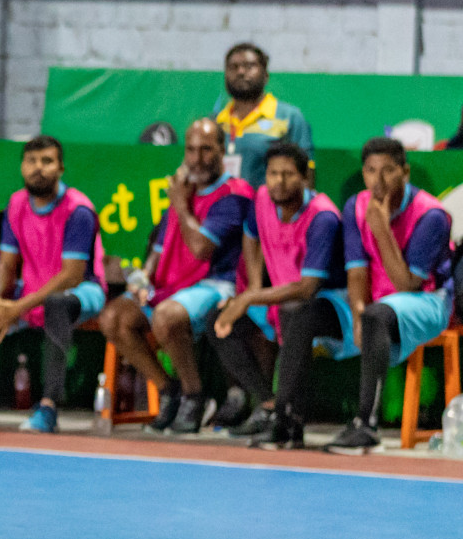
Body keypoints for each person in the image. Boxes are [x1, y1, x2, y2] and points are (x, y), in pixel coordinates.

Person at [258, 138, 453, 453]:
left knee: (377, 316)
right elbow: (357, 272)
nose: (379, 181)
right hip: (374, 297)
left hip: (428, 301)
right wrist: (359, 311)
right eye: (371, 171)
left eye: (388, 171)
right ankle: (287, 421)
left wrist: (381, 229)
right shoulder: (356, 206)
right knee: (301, 311)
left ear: (405, 173)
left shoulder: (431, 215)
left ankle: (367, 424)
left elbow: (407, 284)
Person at [97, 119, 254, 435]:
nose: (197, 158)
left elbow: (199, 249)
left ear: (222, 152)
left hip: (216, 284)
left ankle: (195, 395)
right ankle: (169, 390)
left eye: (206, 150)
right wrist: (142, 282)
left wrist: (181, 205)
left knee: (167, 316)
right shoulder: (183, 193)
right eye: (191, 150)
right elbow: (159, 250)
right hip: (173, 285)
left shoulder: (233, 195)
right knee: (114, 318)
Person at [209, 142, 342, 442]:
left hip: (326, 305)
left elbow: (308, 288)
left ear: (305, 177)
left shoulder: (323, 217)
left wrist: (249, 297)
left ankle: (289, 420)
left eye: (288, 174)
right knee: (218, 321)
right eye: (272, 174)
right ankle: (269, 403)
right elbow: (251, 235)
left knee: (295, 314)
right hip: (277, 299)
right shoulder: (263, 200)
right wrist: (254, 286)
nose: (279, 182)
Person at [0, 137, 107, 434]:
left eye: (47, 161)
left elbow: (71, 276)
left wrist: (15, 309)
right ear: (22, 167)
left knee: (56, 304)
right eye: (32, 161)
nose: (39, 169)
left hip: (84, 290)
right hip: (32, 288)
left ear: (61, 168)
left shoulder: (78, 210)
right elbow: (7, 263)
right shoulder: (17, 203)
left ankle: (48, 406)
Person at [212, 42, 313, 188]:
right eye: (233, 67)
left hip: (269, 209)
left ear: (266, 75)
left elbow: (306, 175)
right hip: (224, 207)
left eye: (249, 66)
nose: (240, 72)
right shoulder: (214, 122)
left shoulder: (289, 118)